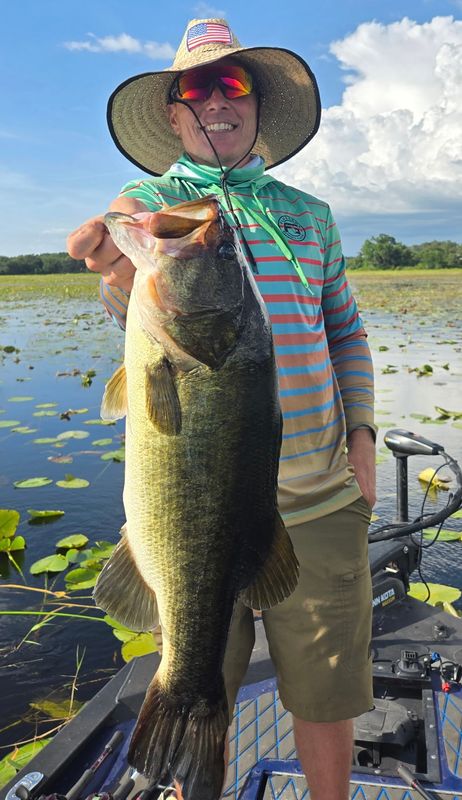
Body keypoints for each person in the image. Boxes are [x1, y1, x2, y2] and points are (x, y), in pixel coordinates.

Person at [67, 17, 376, 800]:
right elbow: (121, 278)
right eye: (195, 88)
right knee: (196, 667)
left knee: (326, 693)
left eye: (231, 83)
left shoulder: (310, 216)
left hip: (319, 500)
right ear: (173, 113)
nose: (215, 99)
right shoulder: (151, 205)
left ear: (257, 105)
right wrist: (112, 262)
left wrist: (364, 446)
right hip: (195, 510)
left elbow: (345, 331)